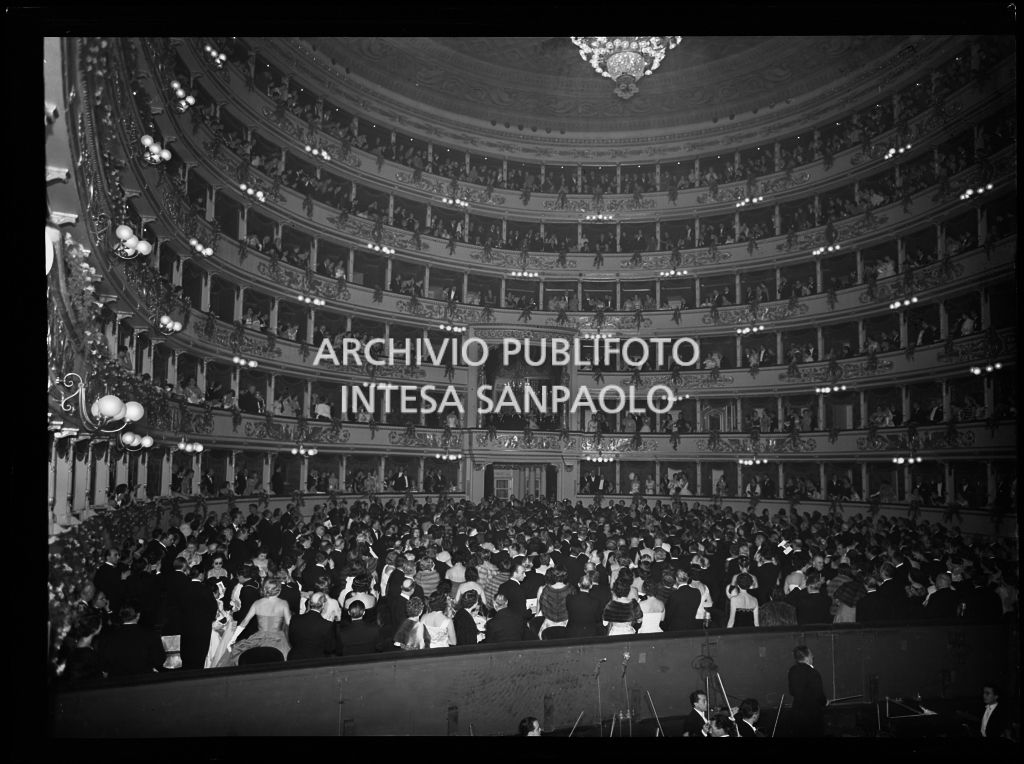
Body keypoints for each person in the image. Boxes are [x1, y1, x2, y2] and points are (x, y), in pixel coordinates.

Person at [218, 578, 292, 666]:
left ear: (265, 589)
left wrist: (232, 639)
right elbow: (290, 624)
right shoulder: (283, 603)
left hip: (259, 638)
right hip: (279, 640)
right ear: (279, 590)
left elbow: (244, 622)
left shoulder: (257, 603)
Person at [99, 603, 166, 678]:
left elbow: (104, 662)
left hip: (118, 682)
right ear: (138, 615)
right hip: (144, 679)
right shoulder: (150, 635)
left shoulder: (109, 636)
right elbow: (159, 659)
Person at [788, 645, 827, 736]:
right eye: (811, 654)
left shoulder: (792, 671)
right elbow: (818, 695)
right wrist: (824, 702)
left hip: (796, 714)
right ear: (806, 657)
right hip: (812, 715)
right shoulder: (813, 673)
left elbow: (792, 691)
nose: (813, 656)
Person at [287, 592, 337, 660]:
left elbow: (291, 640)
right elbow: (329, 648)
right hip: (315, 662)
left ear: (310, 603)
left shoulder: (295, 619)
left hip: (294, 659)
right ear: (323, 604)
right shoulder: (327, 625)